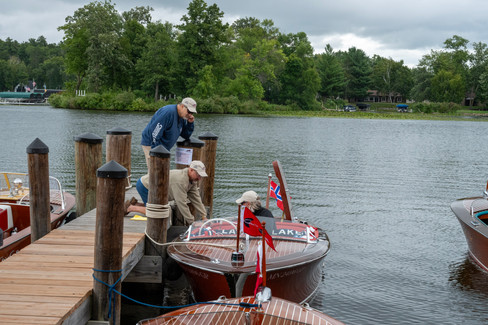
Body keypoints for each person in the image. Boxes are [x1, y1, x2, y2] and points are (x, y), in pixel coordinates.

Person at [127, 160, 208, 226]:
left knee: (159, 207)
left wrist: (204, 216)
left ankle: (136, 204)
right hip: (146, 186)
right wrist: (192, 222)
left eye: (201, 176)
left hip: (153, 187)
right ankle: (130, 207)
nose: (199, 178)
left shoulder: (192, 181)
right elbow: (181, 203)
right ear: (191, 170)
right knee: (156, 212)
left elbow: (196, 199)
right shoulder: (181, 181)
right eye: (198, 175)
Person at [140, 97, 197, 168]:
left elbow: (185, 135)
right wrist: (156, 153)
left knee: (163, 172)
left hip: (164, 148)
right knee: (155, 172)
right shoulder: (167, 113)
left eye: (192, 113)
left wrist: (190, 123)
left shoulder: (182, 117)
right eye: (189, 112)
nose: (190, 115)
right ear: (182, 106)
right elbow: (154, 134)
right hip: (152, 144)